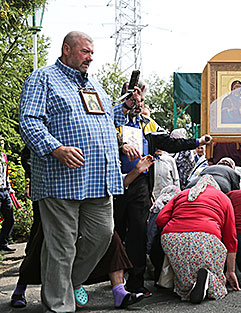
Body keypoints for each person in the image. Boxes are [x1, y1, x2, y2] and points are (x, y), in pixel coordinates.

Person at [18, 31, 144, 312]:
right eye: (85, 51)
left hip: (99, 179)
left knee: (103, 234)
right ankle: (60, 306)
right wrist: (56, 148)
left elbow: (107, 122)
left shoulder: (96, 86)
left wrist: (122, 126)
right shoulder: (43, 78)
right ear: (67, 49)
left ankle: (68, 282)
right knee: (61, 245)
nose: (91, 57)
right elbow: (28, 121)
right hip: (60, 179)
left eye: (92, 52)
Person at [10, 156, 155, 309]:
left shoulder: (102, 151)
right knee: (41, 244)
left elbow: (116, 182)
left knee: (111, 238)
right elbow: (30, 155)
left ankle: (119, 291)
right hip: (59, 198)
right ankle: (20, 289)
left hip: (92, 202)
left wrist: (137, 170)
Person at [115, 107, 211, 296]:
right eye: (133, 98)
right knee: (115, 232)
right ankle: (114, 281)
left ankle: (136, 281)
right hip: (114, 181)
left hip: (141, 184)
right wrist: (121, 145)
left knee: (138, 232)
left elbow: (170, 142)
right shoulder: (113, 119)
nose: (138, 103)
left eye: (141, 100)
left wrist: (198, 141)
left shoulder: (147, 124)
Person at [156, 175, 240, 304]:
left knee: (184, 279)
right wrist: (230, 271)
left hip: (172, 238)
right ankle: (208, 280)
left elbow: (160, 220)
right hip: (206, 237)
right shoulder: (223, 197)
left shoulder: (182, 194)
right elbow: (231, 238)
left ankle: (190, 286)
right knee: (217, 278)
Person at [0, 136, 15, 253]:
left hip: (5, 191)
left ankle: (3, 243)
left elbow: (5, 174)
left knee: (10, 218)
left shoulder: (4, 156)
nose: (2, 144)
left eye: (2, 142)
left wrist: (9, 188)